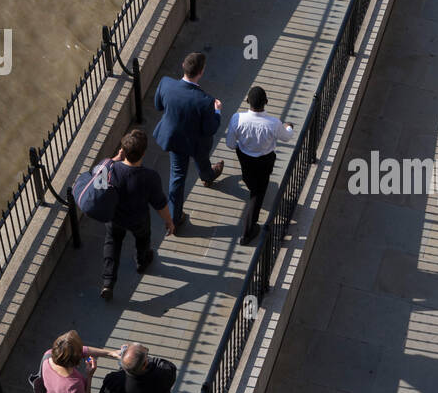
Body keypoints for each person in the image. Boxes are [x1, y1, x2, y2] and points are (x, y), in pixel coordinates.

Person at [100, 129, 174, 301]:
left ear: (122, 151)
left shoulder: (110, 169)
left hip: (114, 217)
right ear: (144, 153)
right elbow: (160, 204)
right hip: (138, 218)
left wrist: (115, 160)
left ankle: (108, 283)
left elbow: (99, 184)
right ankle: (141, 261)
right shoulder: (150, 177)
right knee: (143, 238)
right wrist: (169, 221)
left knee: (112, 243)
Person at [153, 51, 223, 231]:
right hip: (196, 142)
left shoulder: (166, 83)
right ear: (201, 72)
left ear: (183, 66)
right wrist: (217, 111)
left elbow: (158, 105)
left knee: (177, 178)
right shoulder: (206, 101)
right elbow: (210, 128)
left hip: (175, 139)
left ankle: (175, 219)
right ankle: (208, 177)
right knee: (201, 158)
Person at [225, 86, 294, 244]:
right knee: (258, 193)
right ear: (266, 102)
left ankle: (251, 184)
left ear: (247, 101)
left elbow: (230, 144)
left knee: (250, 181)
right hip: (264, 161)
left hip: (245, 159)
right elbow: (287, 137)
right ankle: (247, 232)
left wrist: (242, 149)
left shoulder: (237, 119)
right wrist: (288, 126)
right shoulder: (274, 124)